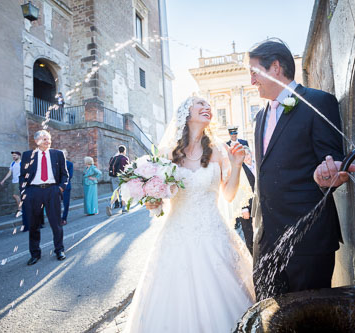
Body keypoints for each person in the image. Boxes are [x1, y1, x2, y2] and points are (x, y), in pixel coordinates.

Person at [124, 97, 254, 333]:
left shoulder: (218, 151)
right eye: (200, 104)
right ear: (186, 113)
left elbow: (229, 195)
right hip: (177, 235)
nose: (207, 108)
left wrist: (235, 166)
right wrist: (151, 198)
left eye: (209, 106)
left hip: (213, 234)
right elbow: (157, 202)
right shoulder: (166, 154)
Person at [248, 39, 355, 300]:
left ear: (275, 67)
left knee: (311, 318)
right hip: (266, 243)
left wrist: (326, 176)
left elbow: (331, 162)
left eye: (254, 72)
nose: (252, 81)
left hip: (307, 243)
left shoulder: (318, 102)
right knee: (271, 319)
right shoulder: (259, 118)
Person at [19, 130, 69, 265]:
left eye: (49, 139)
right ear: (37, 141)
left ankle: (59, 250)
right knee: (34, 224)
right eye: (44, 139)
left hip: (52, 190)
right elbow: (23, 175)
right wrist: (24, 192)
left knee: (56, 223)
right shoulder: (28, 155)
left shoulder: (58, 154)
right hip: (33, 192)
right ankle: (35, 254)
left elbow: (65, 174)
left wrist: (60, 188)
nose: (48, 141)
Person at [239, 147, 255, 254]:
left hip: (259, 204)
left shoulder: (257, 165)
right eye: (244, 156)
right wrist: (244, 207)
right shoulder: (240, 169)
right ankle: (252, 257)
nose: (247, 158)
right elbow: (239, 189)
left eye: (248, 155)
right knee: (249, 234)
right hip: (246, 205)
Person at [107, 145, 129, 216]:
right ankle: (124, 209)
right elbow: (126, 169)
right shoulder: (124, 158)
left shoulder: (114, 158)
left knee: (116, 192)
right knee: (123, 193)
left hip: (114, 177)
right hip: (121, 177)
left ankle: (110, 205)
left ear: (119, 151)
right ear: (124, 151)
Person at [0, 151, 23, 218]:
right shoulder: (12, 163)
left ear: (19, 156)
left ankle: (20, 209)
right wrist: (3, 180)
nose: (13, 157)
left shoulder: (22, 163)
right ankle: (22, 209)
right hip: (14, 182)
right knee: (18, 196)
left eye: (15, 155)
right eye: (13, 156)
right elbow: (10, 173)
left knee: (15, 195)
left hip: (20, 182)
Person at [61, 150, 74, 225]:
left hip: (66, 186)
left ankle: (64, 218)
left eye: (64, 153)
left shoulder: (69, 164)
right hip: (57, 187)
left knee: (66, 204)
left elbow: (70, 175)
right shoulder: (56, 164)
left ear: (66, 154)